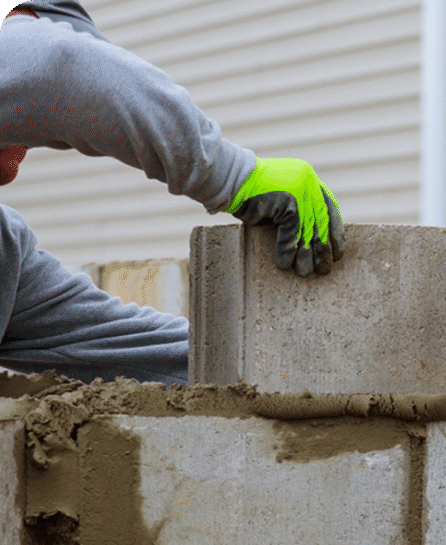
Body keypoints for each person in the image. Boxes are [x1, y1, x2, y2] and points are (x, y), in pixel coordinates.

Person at [0, 1, 343, 386]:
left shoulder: (6, 258)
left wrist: (296, 369)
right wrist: (234, 175)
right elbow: (52, 65)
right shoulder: (28, 54)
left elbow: (135, 350)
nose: (17, 161)